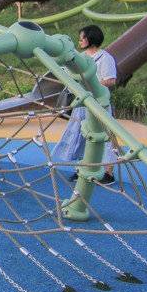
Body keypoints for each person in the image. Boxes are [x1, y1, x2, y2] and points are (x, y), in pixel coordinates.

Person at [53, 25, 118, 184]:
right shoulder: (79, 57)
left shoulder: (104, 58)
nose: (80, 40)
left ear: (92, 38)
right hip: (82, 102)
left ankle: (108, 172)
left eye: (83, 37)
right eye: (80, 37)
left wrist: (90, 84)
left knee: (105, 136)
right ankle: (82, 168)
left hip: (98, 102)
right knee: (79, 133)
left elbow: (111, 80)